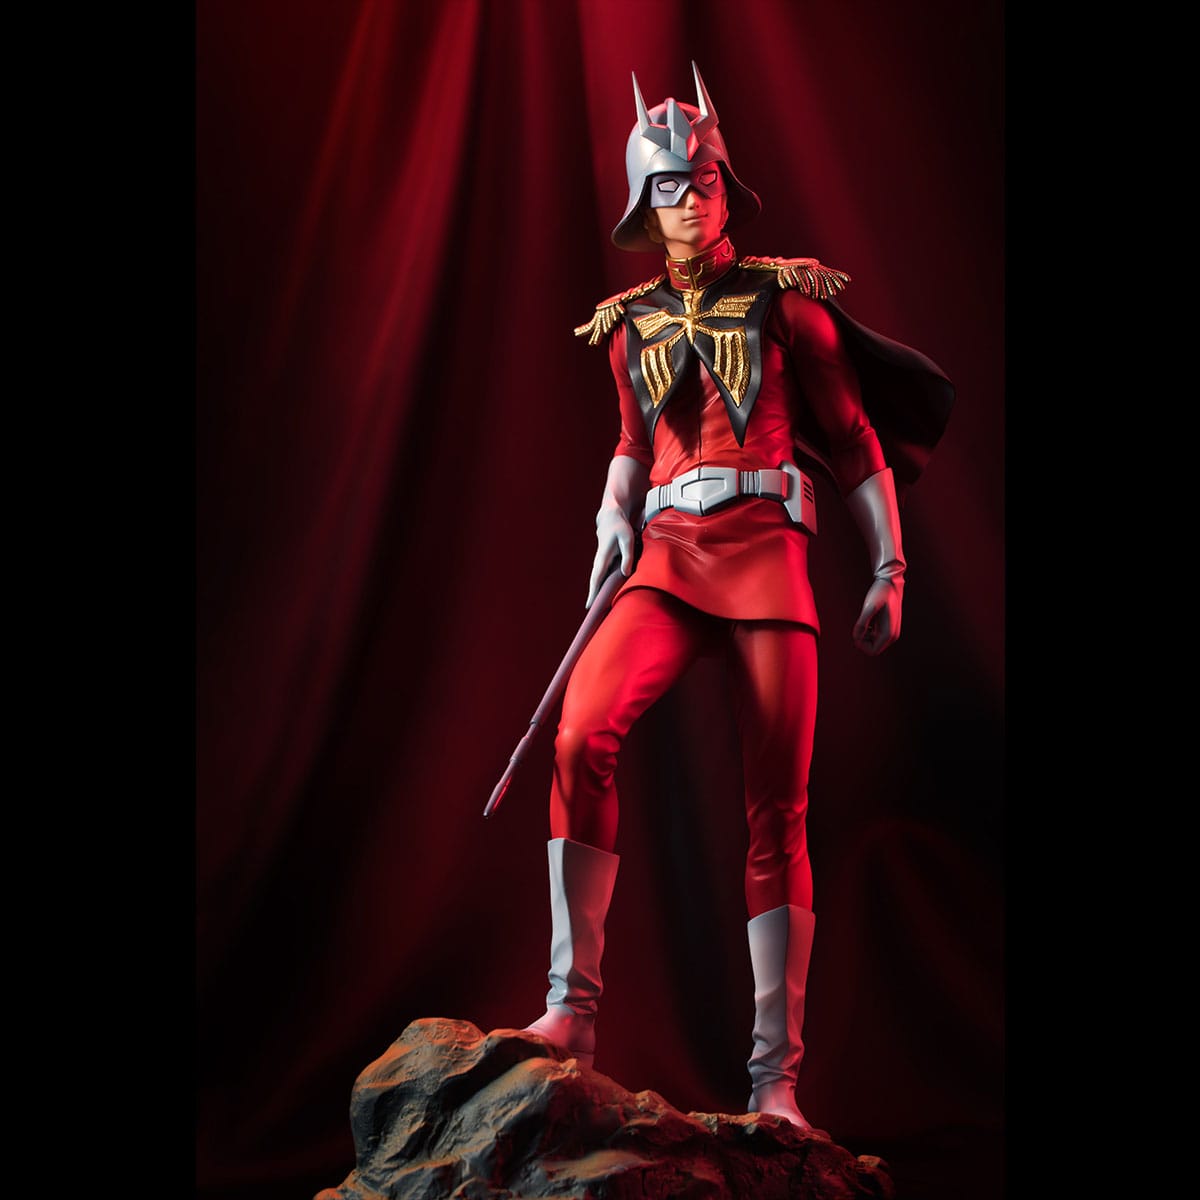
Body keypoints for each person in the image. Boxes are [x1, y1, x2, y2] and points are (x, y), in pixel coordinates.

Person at [520, 64, 954, 1130]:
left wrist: (891, 568)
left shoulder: (788, 301)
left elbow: (853, 441)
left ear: (727, 184)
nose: (688, 201)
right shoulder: (627, 324)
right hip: (668, 553)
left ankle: (776, 1081)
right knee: (580, 735)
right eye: (667, 187)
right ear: (644, 203)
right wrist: (610, 515)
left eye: (702, 180)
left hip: (767, 550)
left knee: (778, 808)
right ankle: (571, 1009)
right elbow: (631, 443)